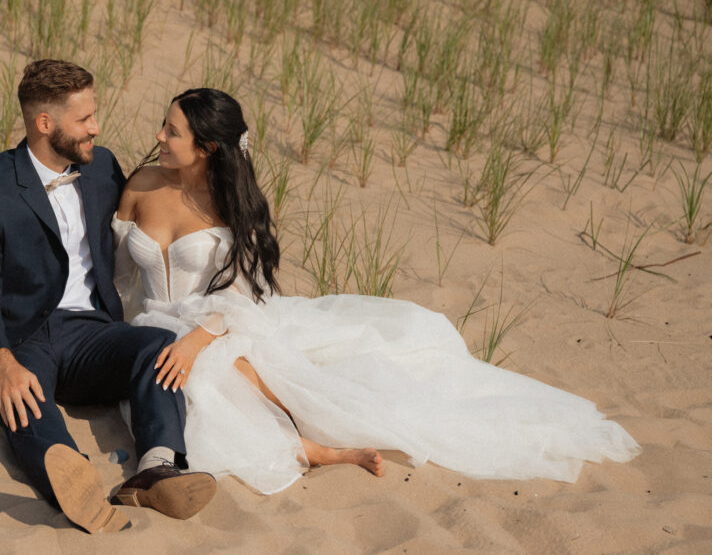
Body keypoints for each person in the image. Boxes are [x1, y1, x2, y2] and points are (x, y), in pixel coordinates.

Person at [113, 87, 641, 495]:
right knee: (192, 383)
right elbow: (116, 277)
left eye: (172, 131)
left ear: (206, 148)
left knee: (217, 368)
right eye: (164, 125)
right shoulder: (140, 185)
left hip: (220, 320)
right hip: (152, 324)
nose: (160, 136)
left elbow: (241, 298)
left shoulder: (234, 205)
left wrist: (196, 338)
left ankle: (313, 443)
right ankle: (312, 446)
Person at [0, 60, 216, 533]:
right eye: (84, 119)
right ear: (45, 124)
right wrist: (1, 363)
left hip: (92, 331)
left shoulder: (102, 166)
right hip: (24, 336)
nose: (96, 128)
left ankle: (155, 469)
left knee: (156, 348)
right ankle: (74, 482)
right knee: (25, 398)